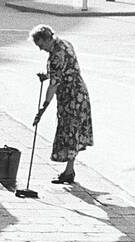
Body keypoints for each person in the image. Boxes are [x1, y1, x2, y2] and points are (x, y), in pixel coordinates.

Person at [30, 25, 93, 185]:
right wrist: (49, 75)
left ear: (46, 39)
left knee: (70, 130)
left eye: (41, 45)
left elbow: (53, 85)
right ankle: (69, 170)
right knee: (73, 130)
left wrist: (43, 108)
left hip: (70, 97)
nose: (40, 49)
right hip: (80, 92)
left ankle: (69, 172)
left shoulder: (55, 56)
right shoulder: (65, 43)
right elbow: (65, 69)